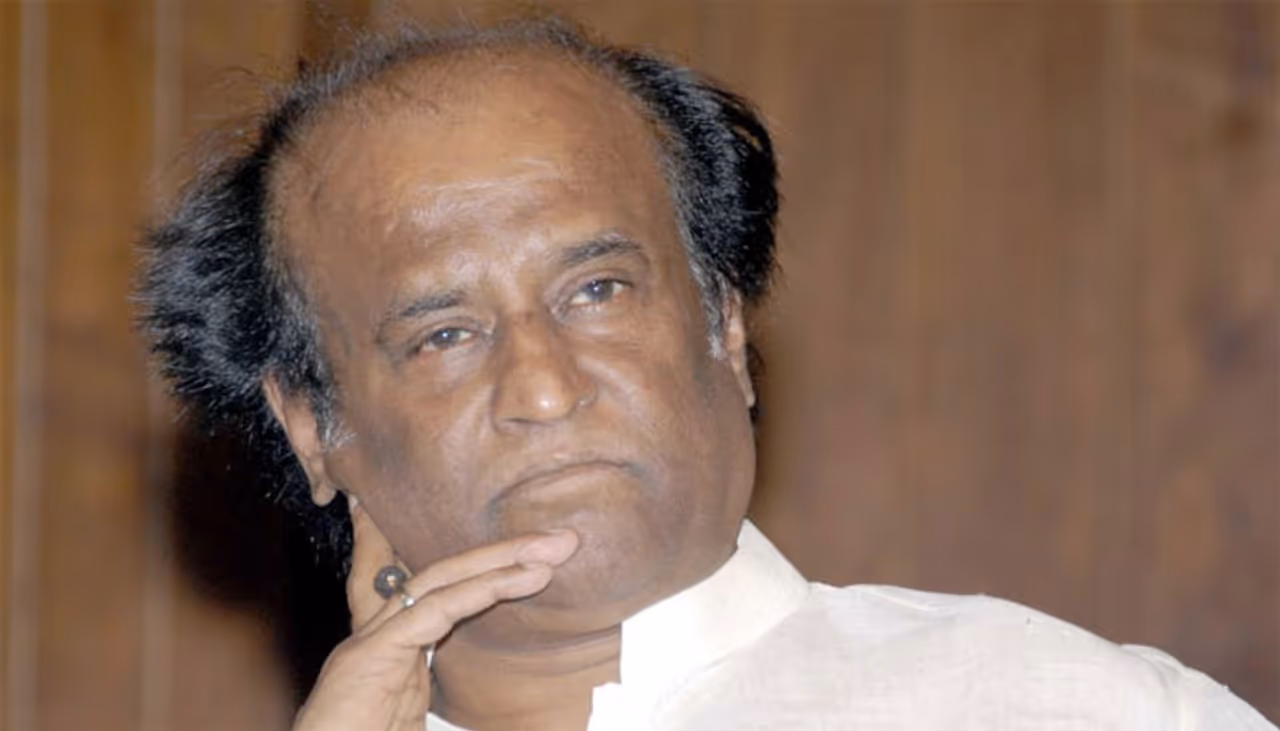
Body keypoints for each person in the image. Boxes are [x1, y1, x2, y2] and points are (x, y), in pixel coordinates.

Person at [138, 17, 1276, 731]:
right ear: (312, 424)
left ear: (723, 324)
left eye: (597, 290)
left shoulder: (1071, 707)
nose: (544, 387)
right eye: (442, 334)